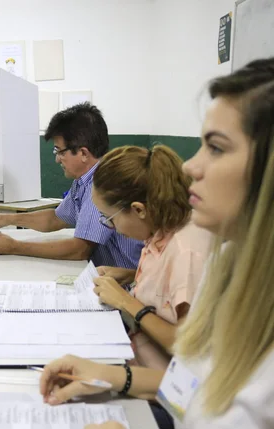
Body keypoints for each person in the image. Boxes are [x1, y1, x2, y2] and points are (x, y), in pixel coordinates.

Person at [39, 57, 274, 429]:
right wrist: (105, 375)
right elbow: (190, 390)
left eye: (217, 148)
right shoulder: (227, 265)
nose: (191, 166)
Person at [90, 144, 213, 429]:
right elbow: (168, 289)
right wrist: (129, 274)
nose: (112, 227)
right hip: (142, 369)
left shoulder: (185, 249)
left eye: (110, 219)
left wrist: (125, 301)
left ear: (138, 209)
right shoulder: (161, 231)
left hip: (169, 398)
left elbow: (187, 346)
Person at [0, 103, 143, 269]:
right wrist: (7, 219)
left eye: (60, 151)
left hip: (126, 285)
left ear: (83, 153)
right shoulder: (82, 181)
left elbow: (80, 250)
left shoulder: (102, 184)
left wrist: (15, 247)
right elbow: (55, 218)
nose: (57, 159)